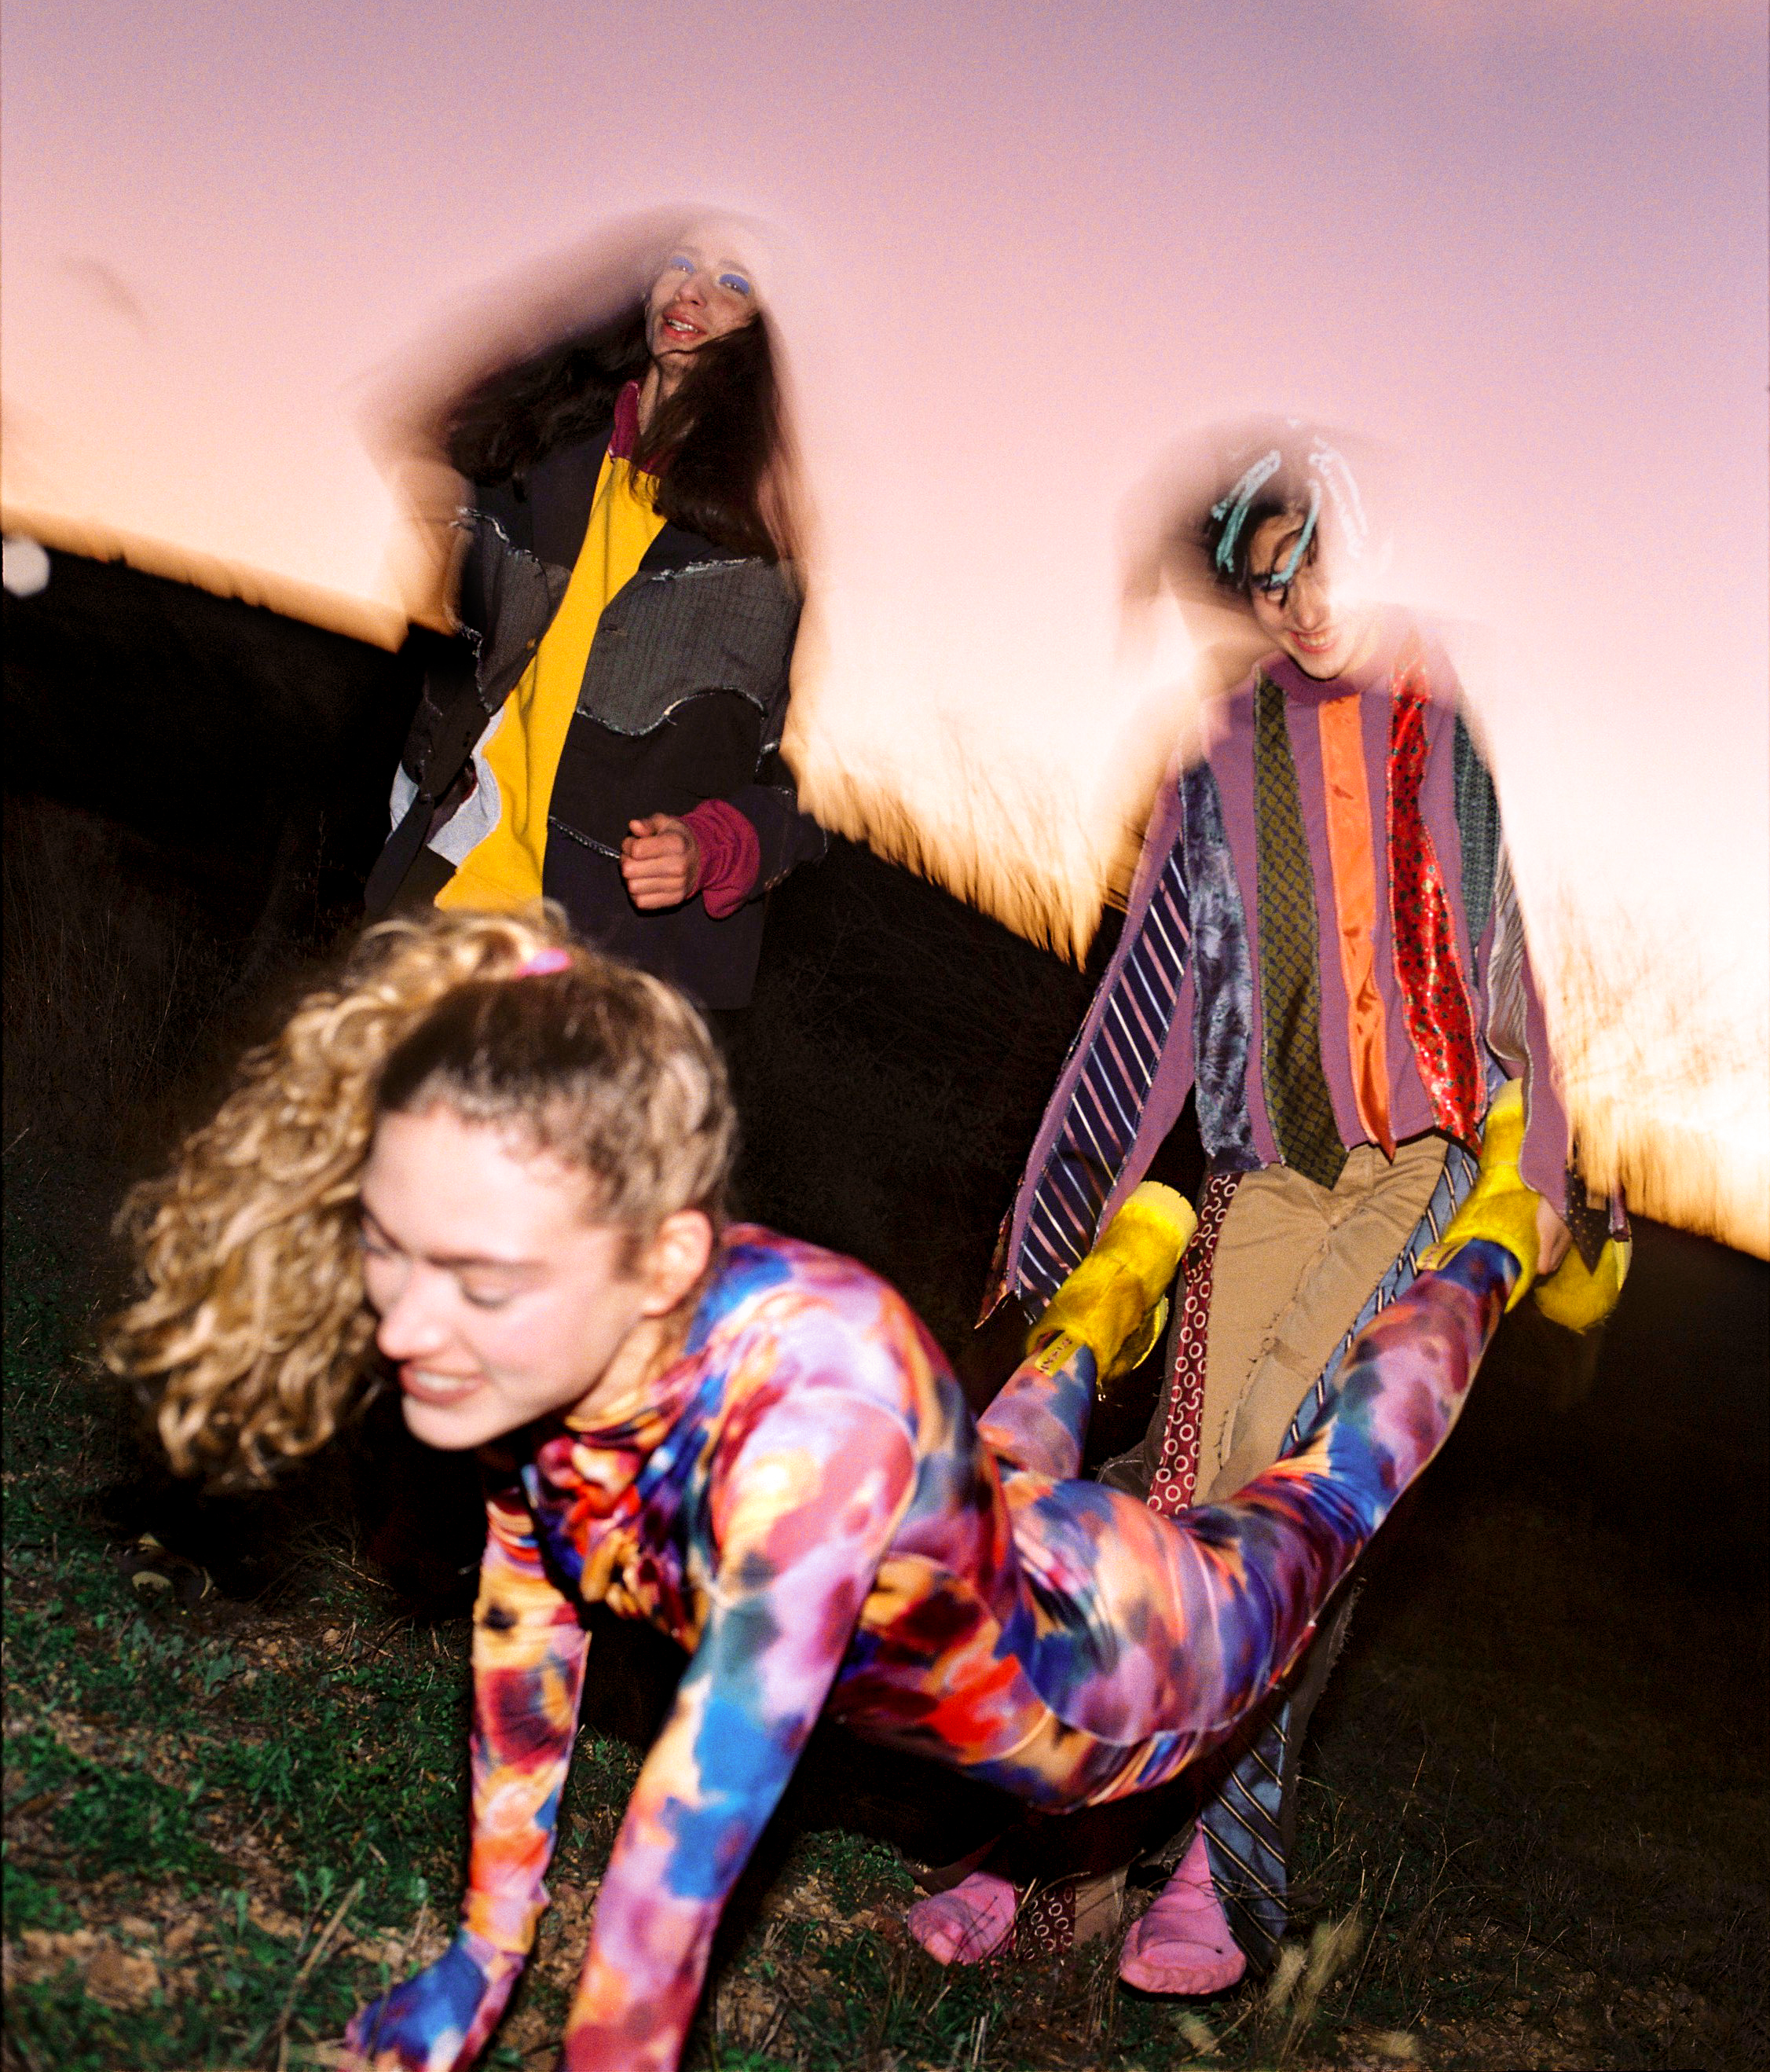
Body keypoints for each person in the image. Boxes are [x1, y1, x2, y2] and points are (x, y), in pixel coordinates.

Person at [108, 904, 1568, 2072]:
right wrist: (485, 1951)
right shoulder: (555, 1342)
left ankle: (1495, 1237)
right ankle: (1115, 1285)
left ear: (663, 1262)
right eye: (390, 1250)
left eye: (475, 1281)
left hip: (1137, 1663)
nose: (406, 1326)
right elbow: (527, 1619)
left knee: (1342, 1469)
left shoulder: (815, 1421)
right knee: (992, 1473)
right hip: (984, 1540)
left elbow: (684, 1841)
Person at [913, 423, 1628, 1989]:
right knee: (1171, 1491)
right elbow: (1151, 997)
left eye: (1311, 558)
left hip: (1420, 1163)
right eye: (1261, 577)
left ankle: (1215, 1877)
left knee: (1279, 1476)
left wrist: (1543, 1179)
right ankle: (1053, 1853)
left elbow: (1515, 954)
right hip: (1264, 1166)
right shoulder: (1220, 756)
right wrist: (1070, 1210)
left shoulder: (1441, 724)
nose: (1295, 600)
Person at [365, 223, 823, 1012]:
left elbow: (795, 794)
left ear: (761, 335)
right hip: (448, 893)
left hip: (596, 957)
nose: (692, 290)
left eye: (732, 283)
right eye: (679, 265)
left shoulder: (760, 563)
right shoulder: (534, 462)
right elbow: (455, 630)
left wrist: (708, 846)